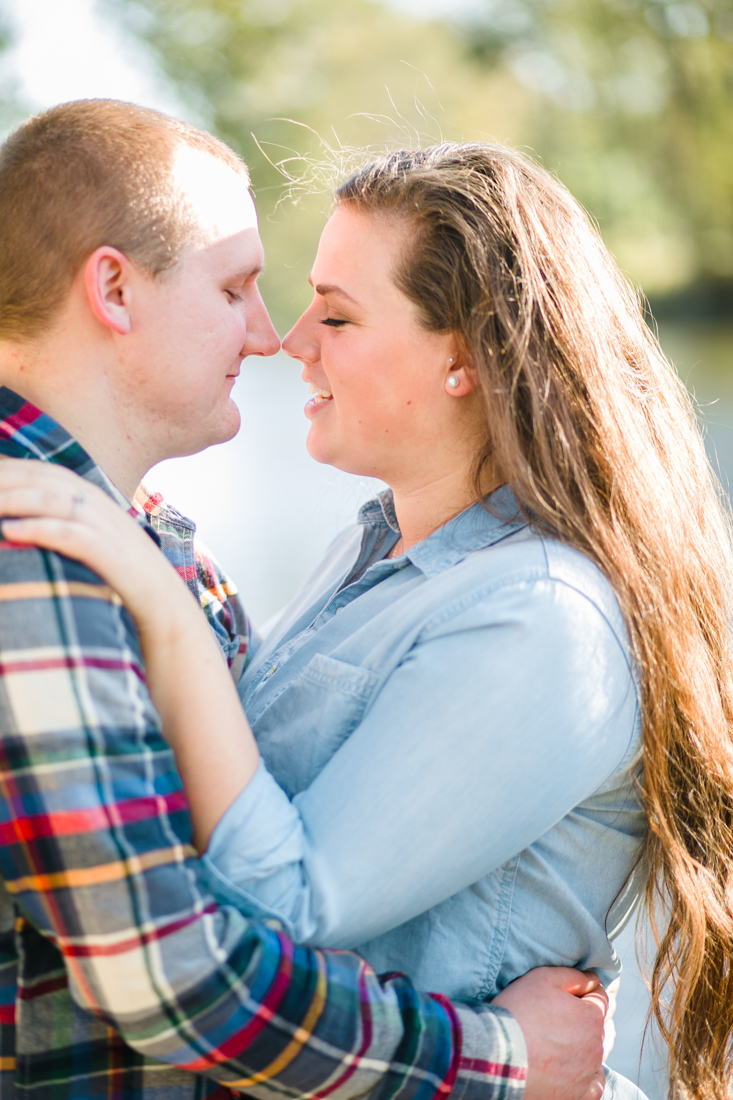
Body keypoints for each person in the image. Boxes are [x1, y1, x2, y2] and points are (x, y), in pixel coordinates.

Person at [6, 139, 733, 1100]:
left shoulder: (538, 614)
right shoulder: (368, 546)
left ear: (464, 359)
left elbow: (278, 905)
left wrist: (166, 616)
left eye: (337, 314)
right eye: (250, 295)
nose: (287, 339)